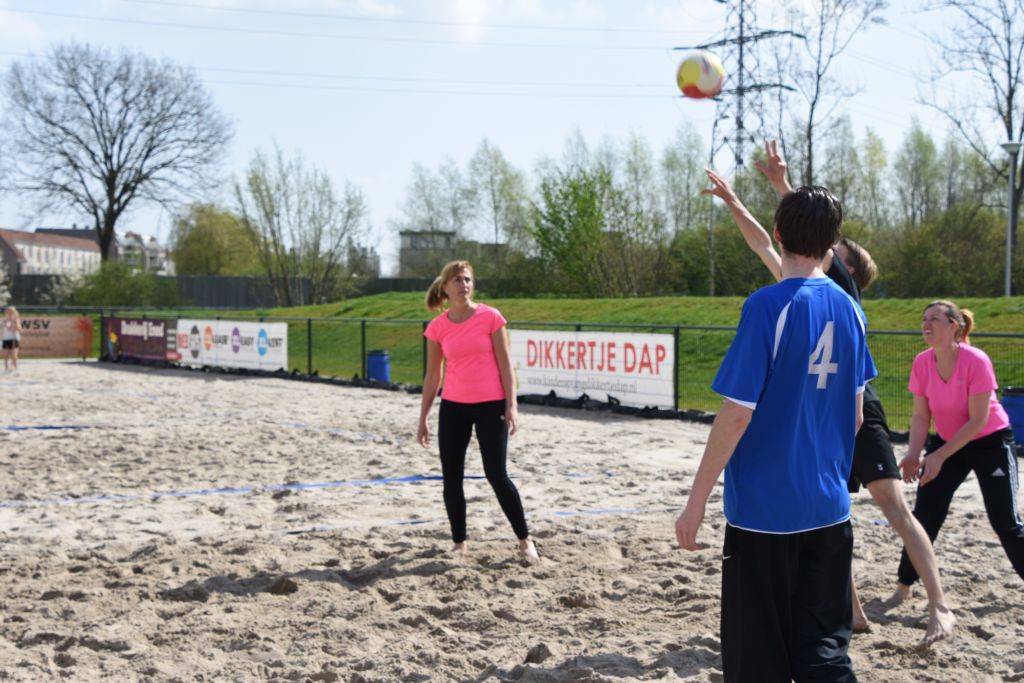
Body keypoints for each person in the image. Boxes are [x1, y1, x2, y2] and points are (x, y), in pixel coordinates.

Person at [706, 139, 955, 647]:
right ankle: (854, 612)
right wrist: (736, 201)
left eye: (837, 251)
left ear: (845, 266)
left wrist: (782, 185)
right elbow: (769, 241)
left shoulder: (839, 290)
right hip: (825, 414)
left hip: (854, 409)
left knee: (894, 509)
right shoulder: (797, 288)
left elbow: (808, 226)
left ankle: (940, 605)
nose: (830, 249)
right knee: (825, 512)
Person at [677, 183, 875, 682]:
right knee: (825, 656)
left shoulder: (768, 305)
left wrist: (696, 502)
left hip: (765, 514)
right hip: (829, 508)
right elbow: (855, 418)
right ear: (832, 242)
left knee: (758, 660)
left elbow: (736, 415)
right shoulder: (851, 309)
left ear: (779, 232)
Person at [896, 301, 1024, 592]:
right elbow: (920, 415)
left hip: (990, 442)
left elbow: (978, 420)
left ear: (954, 326)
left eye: (934, 318)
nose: (926, 324)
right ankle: (903, 585)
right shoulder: (922, 362)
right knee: (925, 516)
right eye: (924, 318)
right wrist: (913, 454)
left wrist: (938, 456)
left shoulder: (975, 360)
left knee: (1005, 521)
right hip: (946, 441)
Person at [417, 260, 539, 563]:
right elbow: (433, 376)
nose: (464, 285)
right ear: (445, 287)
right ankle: (459, 543)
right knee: (452, 478)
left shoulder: (490, 317)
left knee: (496, 474)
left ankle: (524, 540)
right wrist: (423, 417)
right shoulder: (437, 327)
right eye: (457, 280)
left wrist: (512, 404)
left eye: (468, 279)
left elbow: (505, 365)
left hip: (491, 405)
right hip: (454, 407)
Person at [2, 306, 21, 373]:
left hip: (15, 338)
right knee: (6, 354)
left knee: (14, 354)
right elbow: (9, 328)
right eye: (8, 311)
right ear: (6, 312)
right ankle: (6, 368)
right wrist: (12, 324)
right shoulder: (5, 320)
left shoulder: (17, 320)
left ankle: (15, 368)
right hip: (6, 339)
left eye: (12, 311)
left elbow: (19, 329)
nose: (10, 313)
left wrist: (16, 324)